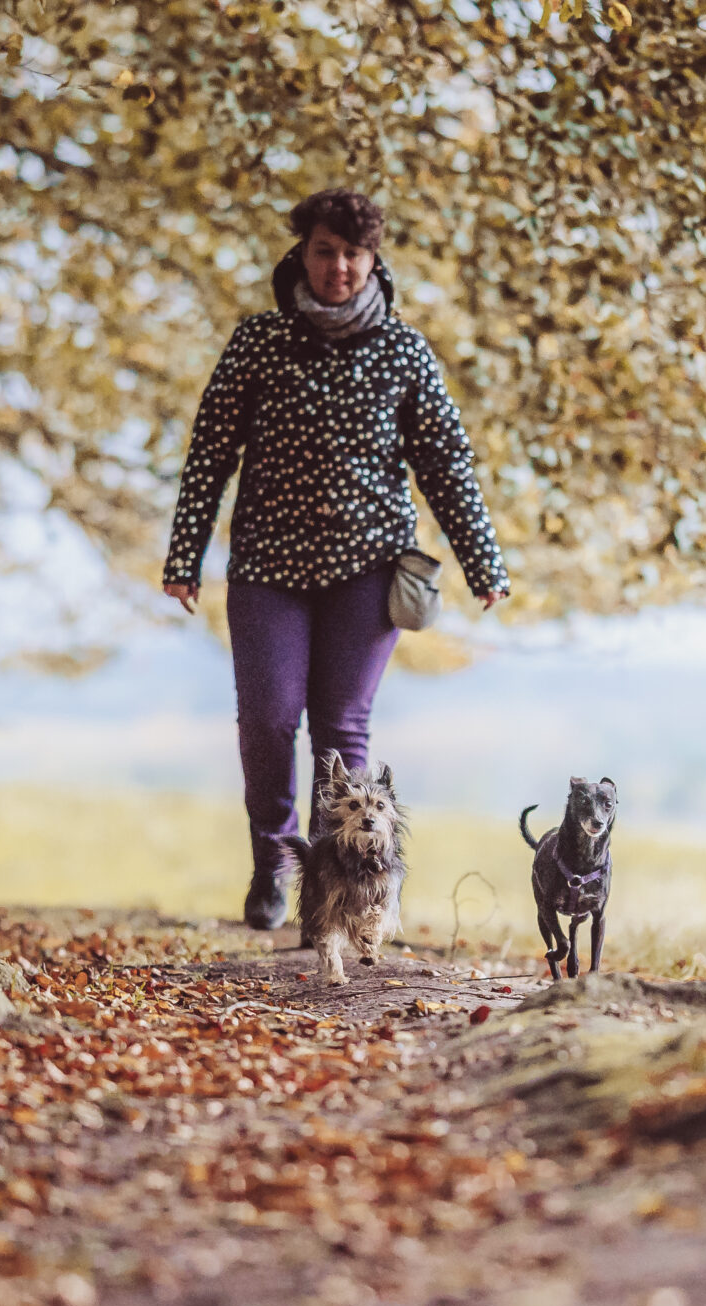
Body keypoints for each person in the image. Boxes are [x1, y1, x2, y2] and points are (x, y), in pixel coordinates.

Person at [162, 187, 508, 930]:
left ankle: (341, 889)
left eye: (354, 254)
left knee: (342, 730)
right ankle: (273, 861)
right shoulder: (259, 342)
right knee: (268, 718)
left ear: (374, 260)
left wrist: (485, 565)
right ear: (303, 253)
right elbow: (210, 454)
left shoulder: (404, 351)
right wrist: (184, 553)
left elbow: (445, 461)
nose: (339, 268)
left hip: (368, 568)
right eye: (326, 251)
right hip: (267, 566)